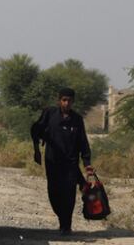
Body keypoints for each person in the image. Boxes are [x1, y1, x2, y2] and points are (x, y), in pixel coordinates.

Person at [30, 88, 93, 235]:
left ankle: (66, 225)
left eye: (69, 100)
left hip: (71, 163)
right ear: (59, 101)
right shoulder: (49, 114)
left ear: (73, 101)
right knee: (54, 193)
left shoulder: (77, 120)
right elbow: (35, 130)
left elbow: (83, 142)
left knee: (69, 194)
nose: (67, 103)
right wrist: (36, 150)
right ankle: (62, 219)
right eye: (64, 100)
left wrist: (87, 163)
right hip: (52, 161)